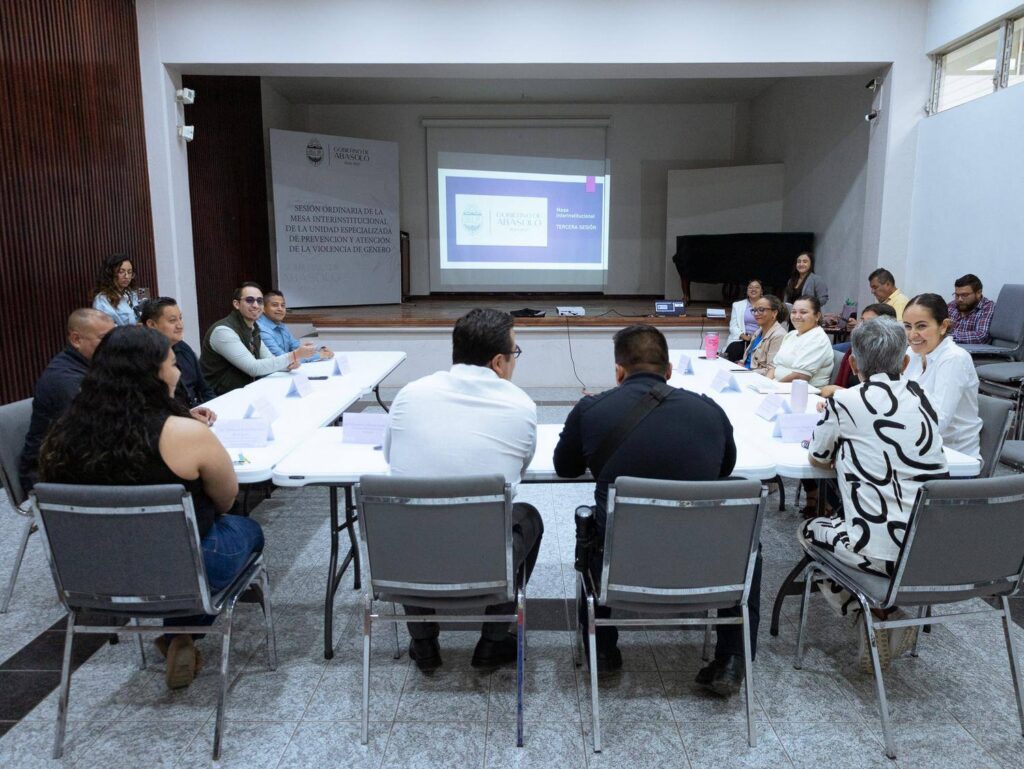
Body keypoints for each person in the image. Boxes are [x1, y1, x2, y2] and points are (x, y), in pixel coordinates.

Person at [38, 326, 264, 690]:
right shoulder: (184, 434)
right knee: (248, 531)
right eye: (172, 364)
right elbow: (226, 498)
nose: (178, 371)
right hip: (182, 573)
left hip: (91, 575)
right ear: (152, 374)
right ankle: (181, 633)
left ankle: (178, 635)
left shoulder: (62, 434)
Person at [553, 325, 752, 697]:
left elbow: (564, 467)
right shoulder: (709, 411)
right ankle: (732, 659)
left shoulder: (590, 409)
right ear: (670, 370)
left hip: (620, 558)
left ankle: (603, 650)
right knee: (748, 547)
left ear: (619, 371)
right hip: (704, 559)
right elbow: (723, 469)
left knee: (592, 528)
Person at [384, 308, 544, 672]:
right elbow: (520, 469)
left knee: (412, 517)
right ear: (499, 362)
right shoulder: (520, 404)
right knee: (528, 518)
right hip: (485, 556)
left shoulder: (410, 394)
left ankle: (423, 643)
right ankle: (493, 641)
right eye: (515, 353)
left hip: (407, 559)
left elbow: (392, 458)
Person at [801, 317, 949, 669]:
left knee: (809, 530)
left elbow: (818, 458)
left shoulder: (846, 401)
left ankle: (873, 616)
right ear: (904, 362)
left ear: (852, 363)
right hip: (931, 549)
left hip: (877, 552)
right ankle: (883, 616)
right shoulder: (924, 398)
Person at [19, 309, 115, 492]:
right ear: (76, 340)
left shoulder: (95, 365)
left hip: (80, 459)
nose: (114, 346)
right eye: (104, 339)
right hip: (49, 474)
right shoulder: (65, 380)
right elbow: (96, 435)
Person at [903, 293, 982, 461]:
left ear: (943, 326)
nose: (912, 334)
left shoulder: (954, 358)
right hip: (916, 445)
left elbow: (937, 421)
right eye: (908, 326)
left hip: (953, 455)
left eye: (921, 326)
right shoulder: (912, 353)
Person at [200, 282, 315, 395]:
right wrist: (294, 355)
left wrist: (288, 365)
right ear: (237, 304)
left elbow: (269, 359)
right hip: (219, 397)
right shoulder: (223, 331)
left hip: (244, 391)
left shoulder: (253, 328)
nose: (255, 305)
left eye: (259, 301)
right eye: (249, 300)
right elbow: (253, 368)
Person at [141, 297, 217, 418]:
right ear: (152, 325)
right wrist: (188, 417)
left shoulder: (183, 348)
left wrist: (216, 410)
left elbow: (205, 389)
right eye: (172, 321)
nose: (180, 325)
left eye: (180, 318)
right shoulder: (142, 359)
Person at [819, 303, 896, 398]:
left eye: (870, 323)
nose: (862, 327)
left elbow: (881, 395)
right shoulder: (853, 351)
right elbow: (839, 383)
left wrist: (841, 392)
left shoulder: (891, 357)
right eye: (862, 321)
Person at [768, 296, 834, 387]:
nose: (797, 316)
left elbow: (800, 377)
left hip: (801, 392)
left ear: (817, 316)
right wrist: (766, 384)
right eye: (794, 312)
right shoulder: (791, 335)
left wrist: (772, 388)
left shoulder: (818, 338)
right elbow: (774, 367)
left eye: (803, 312)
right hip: (776, 387)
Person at [256, 289, 334, 362]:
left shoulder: (281, 325)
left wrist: (320, 349)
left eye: (283, 305)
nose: (280, 309)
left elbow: (296, 346)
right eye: (275, 305)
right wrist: (319, 355)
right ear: (263, 308)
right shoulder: (261, 330)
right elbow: (282, 359)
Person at [845, 268, 908, 336]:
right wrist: (858, 325)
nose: (872, 291)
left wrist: (861, 327)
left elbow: (895, 332)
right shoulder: (884, 301)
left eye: (875, 287)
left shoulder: (900, 302)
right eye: (871, 288)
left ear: (888, 284)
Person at [741, 294, 788, 376]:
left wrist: (746, 373)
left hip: (756, 377)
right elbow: (749, 359)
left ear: (774, 313)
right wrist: (740, 364)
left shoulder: (779, 335)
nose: (756, 314)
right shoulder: (758, 331)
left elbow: (772, 369)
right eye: (754, 310)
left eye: (761, 310)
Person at [92, 253, 141, 326]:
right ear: (110, 274)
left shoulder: (131, 294)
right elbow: (104, 327)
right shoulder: (102, 299)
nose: (127, 276)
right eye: (121, 272)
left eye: (130, 272)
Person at [947, 273, 995, 345]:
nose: (959, 299)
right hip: (949, 347)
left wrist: (948, 337)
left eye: (964, 295)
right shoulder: (952, 305)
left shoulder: (987, 307)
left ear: (978, 293)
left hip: (972, 351)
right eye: (957, 295)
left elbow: (981, 336)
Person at [724, 279, 764, 361]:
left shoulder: (767, 305)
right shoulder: (737, 305)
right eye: (750, 287)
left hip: (760, 339)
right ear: (747, 291)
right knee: (734, 349)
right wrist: (745, 337)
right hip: (742, 339)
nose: (753, 289)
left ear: (761, 291)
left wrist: (755, 337)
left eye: (757, 287)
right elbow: (733, 326)